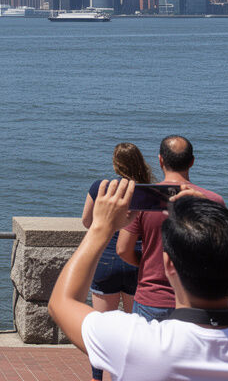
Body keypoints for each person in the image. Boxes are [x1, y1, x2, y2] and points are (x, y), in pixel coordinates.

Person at [50, 180, 228, 380]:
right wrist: (214, 219)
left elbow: (62, 301)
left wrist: (101, 227)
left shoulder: (134, 344)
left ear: (169, 265)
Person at [117, 135, 223, 321]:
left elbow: (123, 249)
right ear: (191, 162)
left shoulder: (143, 199)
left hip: (151, 297)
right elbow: (222, 250)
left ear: (160, 160)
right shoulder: (212, 201)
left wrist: (147, 262)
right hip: (196, 298)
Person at [80, 143, 154, 381]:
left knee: (101, 330)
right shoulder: (148, 192)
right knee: (137, 333)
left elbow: (87, 221)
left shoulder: (100, 187)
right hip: (137, 260)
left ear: (116, 163)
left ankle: (97, 377)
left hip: (106, 260)